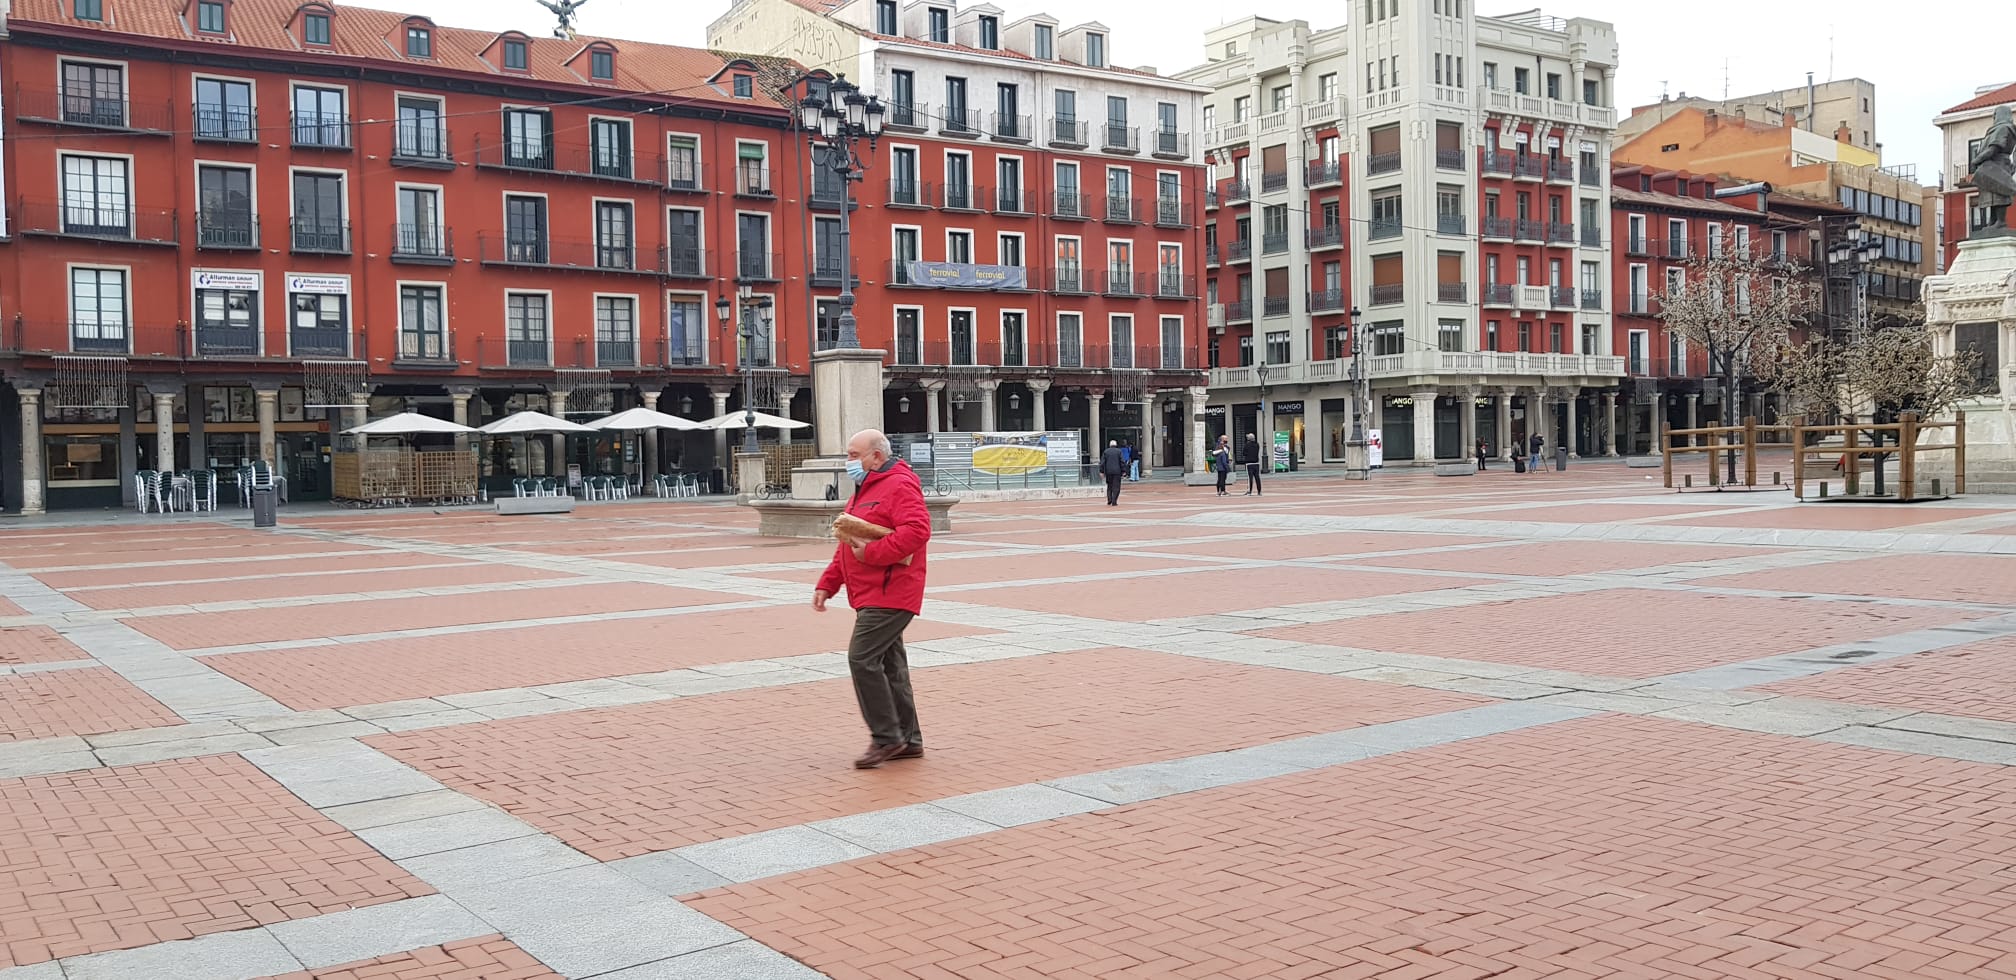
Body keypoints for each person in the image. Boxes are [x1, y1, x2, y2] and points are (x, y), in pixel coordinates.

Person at [813, 429, 932, 770]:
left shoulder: (898, 484)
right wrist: (829, 582)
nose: (848, 461)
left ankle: (886, 737)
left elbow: (918, 530)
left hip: (891, 591)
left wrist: (873, 554)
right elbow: (848, 541)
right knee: (891, 667)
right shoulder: (865, 487)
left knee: (862, 658)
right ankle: (908, 740)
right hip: (871, 591)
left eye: (853, 455)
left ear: (876, 457)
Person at [1099, 439, 1126, 506]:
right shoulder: (1119, 451)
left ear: (1110, 445)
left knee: (1109, 486)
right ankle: (1114, 500)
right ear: (1116, 445)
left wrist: (1101, 471)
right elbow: (1122, 462)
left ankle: (1109, 499)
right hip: (1117, 472)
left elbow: (1102, 462)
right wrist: (1123, 471)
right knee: (1116, 487)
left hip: (1108, 472)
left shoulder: (1106, 451)